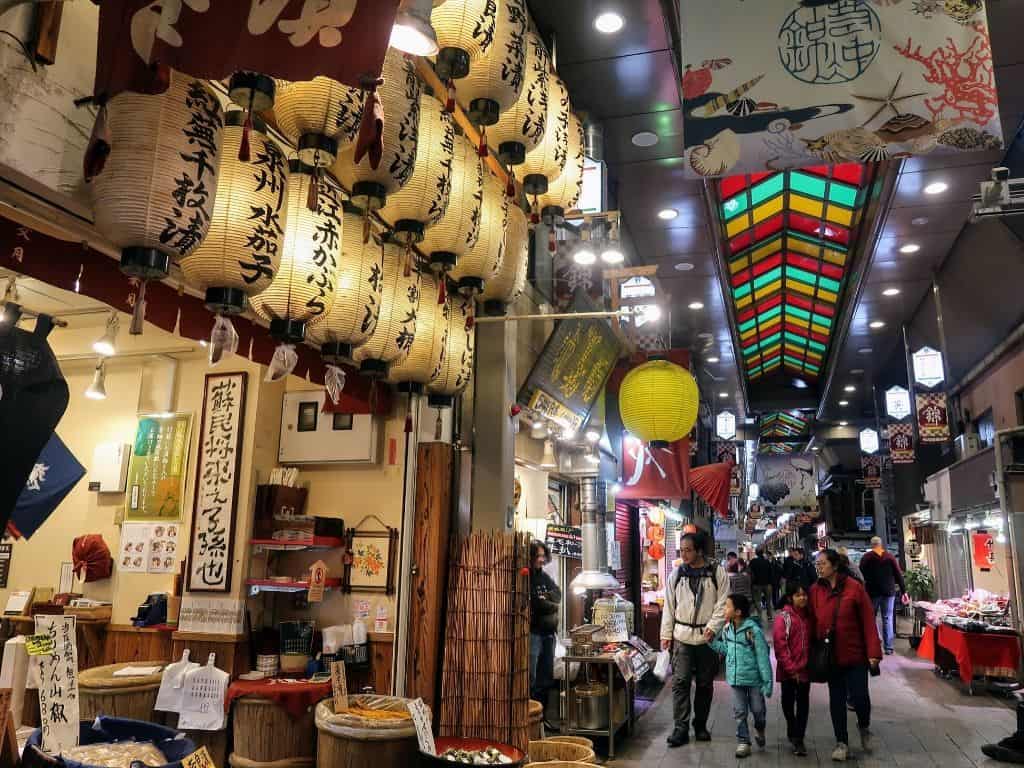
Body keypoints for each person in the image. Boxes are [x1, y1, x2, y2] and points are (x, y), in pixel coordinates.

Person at [809, 548, 882, 762]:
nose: (818, 567)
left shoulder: (854, 588)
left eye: (822, 563)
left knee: (860, 697)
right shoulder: (815, 590)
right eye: (817, 564)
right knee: (836, 700)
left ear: (835, 565)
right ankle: (841, 742)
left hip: (855, 654)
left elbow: (868, 622)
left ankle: (864, 726)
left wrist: (873, 652)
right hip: (831, 656)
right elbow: (811, 619)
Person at [660, 531, 729, 747]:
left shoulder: (716, 572)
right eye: (681, 550)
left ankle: (700, 725)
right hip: (682, 637)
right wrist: (666, 634)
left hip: (707, 639)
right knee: (680, 682)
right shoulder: (677, 574)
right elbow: (669, 606)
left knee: (705, 684)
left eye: (688, 550)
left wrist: (713, 627)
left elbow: (723, 603)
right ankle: (680, 728)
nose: (684, 554)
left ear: (699, 550)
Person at [710, 594, 773, 759]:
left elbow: (762, 658)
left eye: (727, 606)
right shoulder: (727, 629)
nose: (724, 610)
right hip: (736, 679)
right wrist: (712, 642)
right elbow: (726, 649)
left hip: (754, 680)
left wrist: (767, 683)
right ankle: (743, 741)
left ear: (737, 612)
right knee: (739, 711)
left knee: (758, 710)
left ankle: (760, 728)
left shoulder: (753, 631)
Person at [773, 583, 811, 756]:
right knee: (787, 702)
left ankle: (799, 738)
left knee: (803, 704)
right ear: (790, 598)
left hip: (805, 671)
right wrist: (791, 669)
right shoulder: (784, 618)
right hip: (788, 671)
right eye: (798, 595)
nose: (802, 598)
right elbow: (780, 646)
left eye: (804, 595)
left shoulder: (809, 616)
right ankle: (791, 726)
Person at [858, 536, 908, 656]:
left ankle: (875, 643)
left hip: (872, 593)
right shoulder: (889, 557)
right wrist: (904, 591)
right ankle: (888, 648)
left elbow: (860, 576)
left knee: (871, 618)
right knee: (887, 618)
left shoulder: (866, 558)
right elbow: (898, 574)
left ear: (871, 545)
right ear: (880, 545)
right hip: (888, 592)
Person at [528, 540, 560, 726]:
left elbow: (558, 594)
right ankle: (530, 718)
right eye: (537, 556)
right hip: (534, 634)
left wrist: (546, 599)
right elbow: (535, 603)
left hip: (549, 634)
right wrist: (548, 602)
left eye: (543, 556)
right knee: (531, 678)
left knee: (546, 678)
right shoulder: (527, 576)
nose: (541, 559)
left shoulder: (544, 576)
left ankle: (542, 719)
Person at [749, 548, 774, 621]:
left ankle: (760, 616)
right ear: (763, 553)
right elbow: (771, 572)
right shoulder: (767, 561)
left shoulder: (753, 561)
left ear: (756, 553)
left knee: (757, 601)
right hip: (767, 584)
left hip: (756, 584)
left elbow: (749, 572)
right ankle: (769, 616)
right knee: (768, 600)